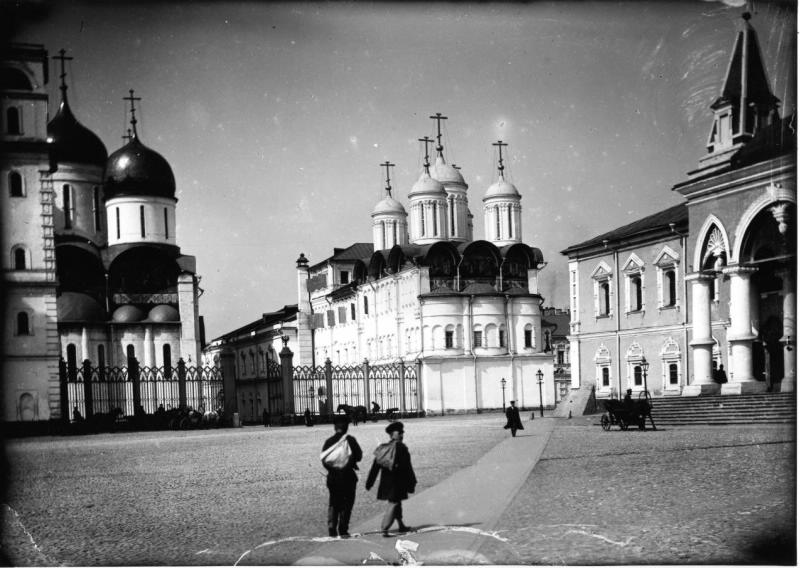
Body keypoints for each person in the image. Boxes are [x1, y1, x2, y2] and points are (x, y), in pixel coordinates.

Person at [366, 421, 417, 537]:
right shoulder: (401, 448)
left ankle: (401, 525)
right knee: (393, 503)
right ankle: (384, 528)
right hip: (397, 482)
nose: (401, 435)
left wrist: (370, 482)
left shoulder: (383, 448)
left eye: (401, 433)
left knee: (397, 503)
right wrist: (412, 481)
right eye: (399, 433)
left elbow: (375, 466)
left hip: (386, 482)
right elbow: (407, 467)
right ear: (392, 434)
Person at [321, 415, 363, 538]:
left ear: (335, 427)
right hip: (348, 476)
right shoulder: (350, 440)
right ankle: (343, 529)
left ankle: (331, 527)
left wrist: (333, 468)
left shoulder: (329, 442)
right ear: (346, 427)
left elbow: (324, 460)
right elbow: (359, 456)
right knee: (347, 503)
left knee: (334, 502)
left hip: (333, 477)